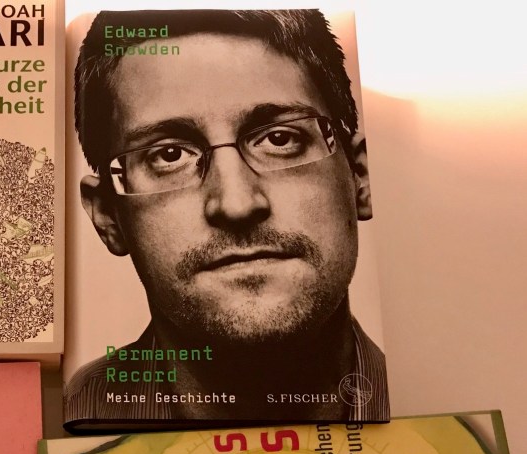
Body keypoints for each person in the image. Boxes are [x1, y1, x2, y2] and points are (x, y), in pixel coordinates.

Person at [64, 9, 389, 427]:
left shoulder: (434, 406)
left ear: (360, 176)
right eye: (169, 155)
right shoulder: (78, 413)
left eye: (280, 138)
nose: (236, 204)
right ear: (107, 215)